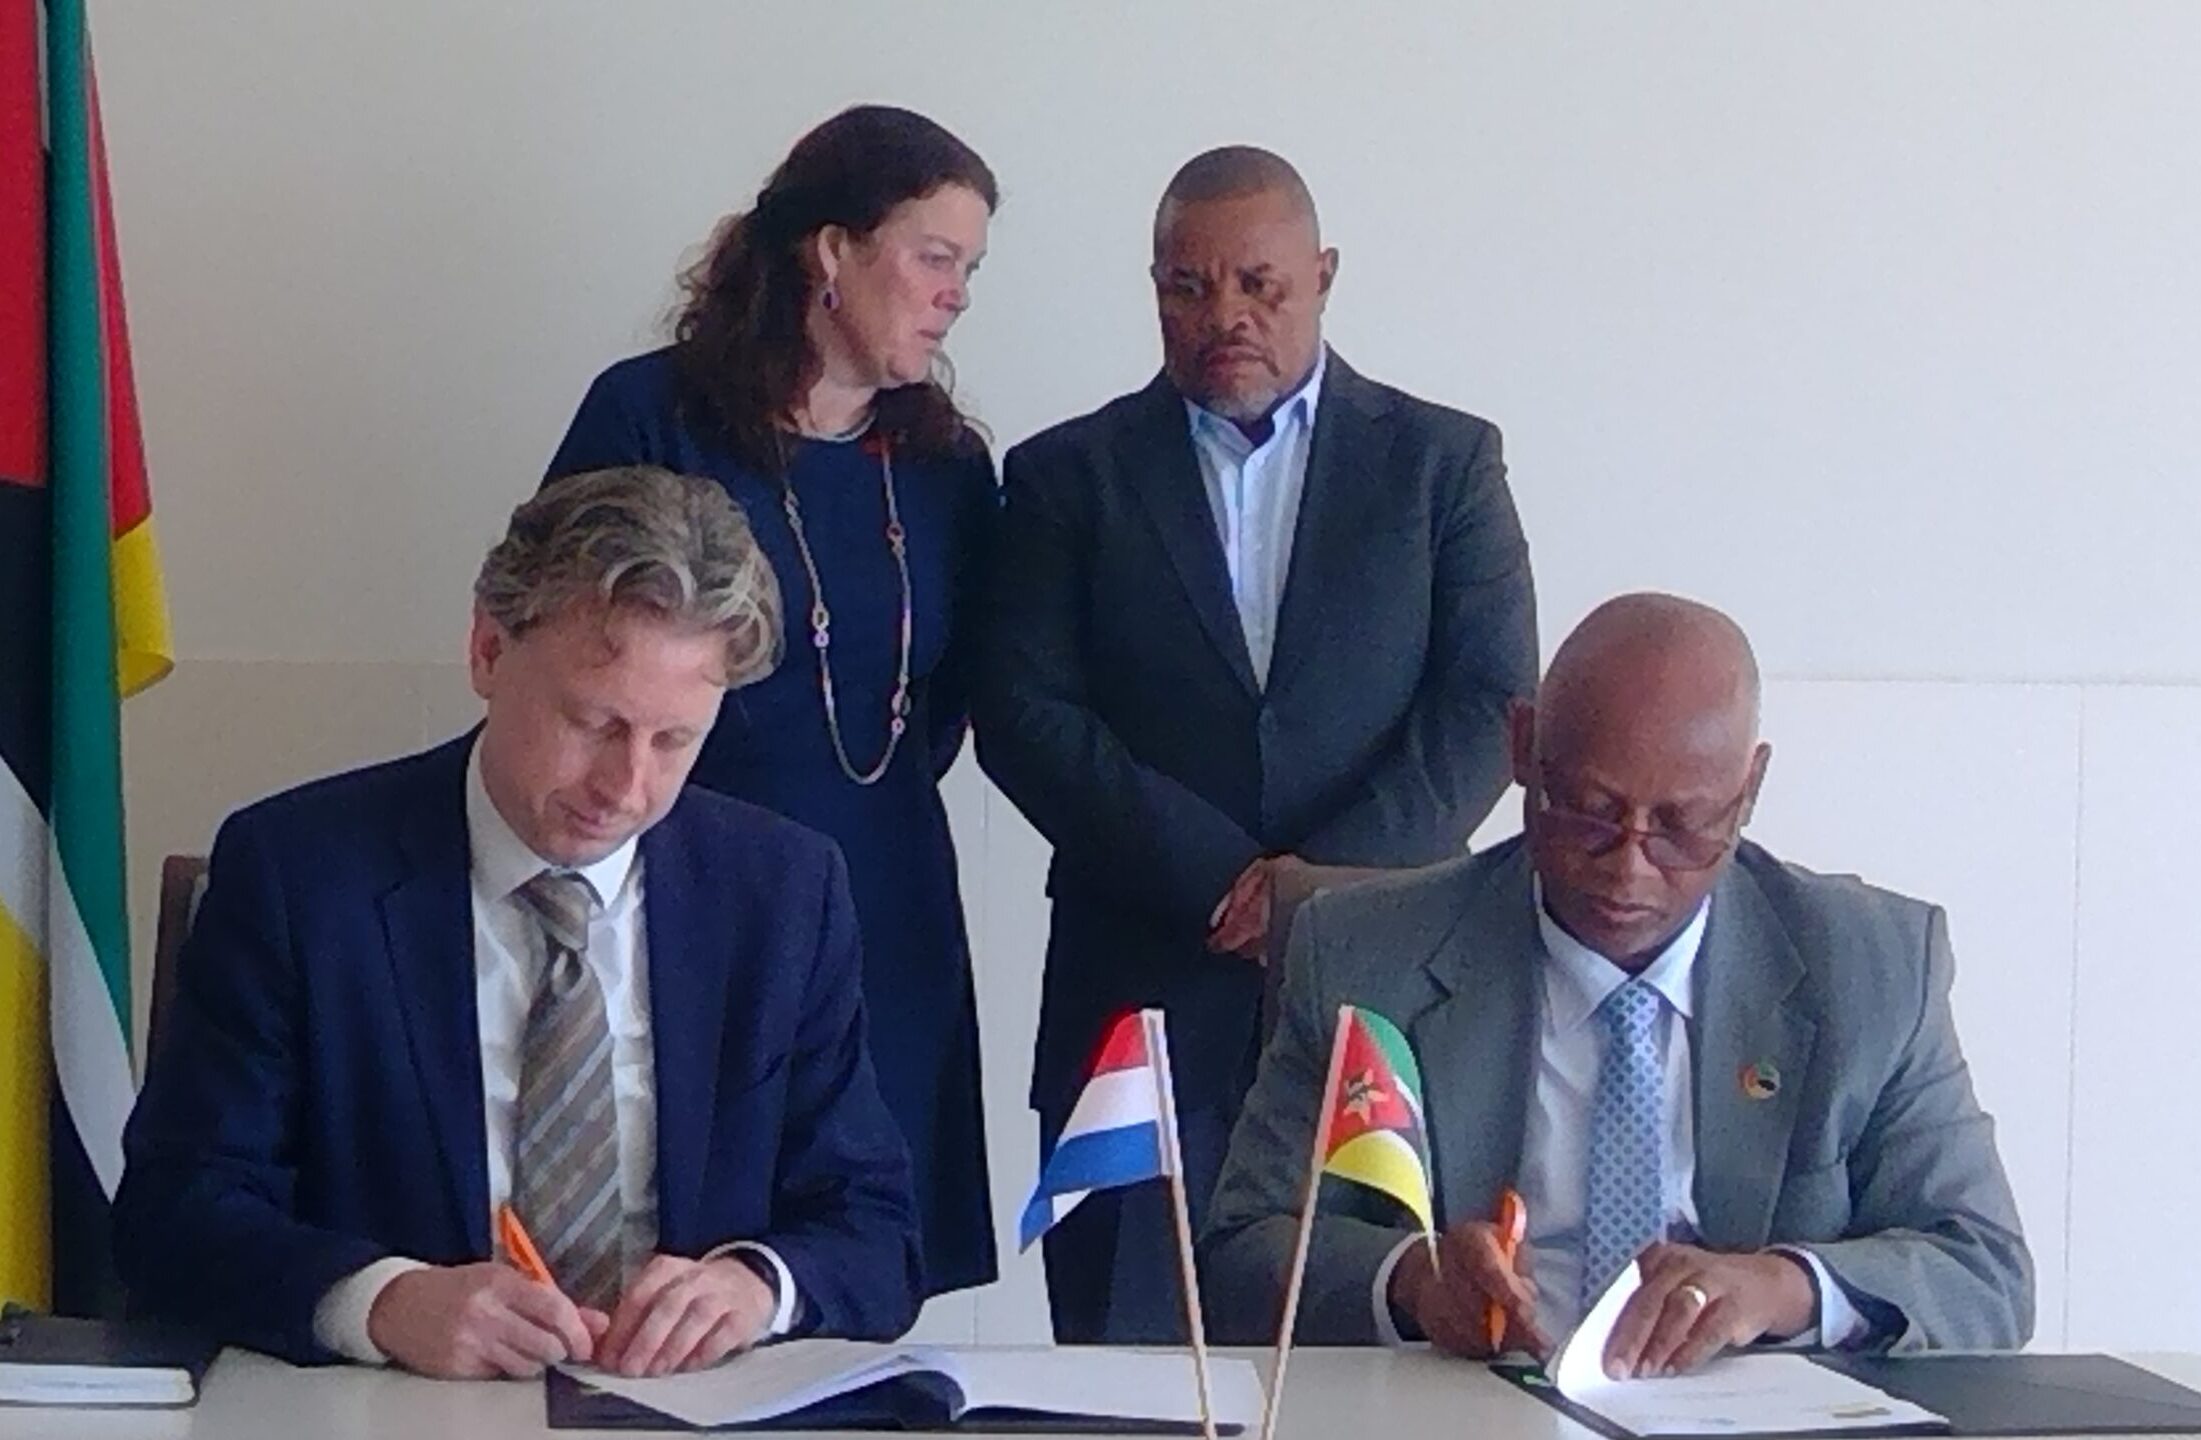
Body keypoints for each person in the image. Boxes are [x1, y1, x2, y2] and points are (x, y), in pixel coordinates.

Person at [114, 467, 921, 1377]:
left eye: (674, 741)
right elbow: (173, 1213)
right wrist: (382, 1301)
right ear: (488, 652)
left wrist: (755, 1286)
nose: (625, 788)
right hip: (396, 1409)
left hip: (685, 1409)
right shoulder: (300, 876)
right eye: (591, 722)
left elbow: (875, 1229)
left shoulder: (782, 892)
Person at [977, 146, 1537, 1342]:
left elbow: (1487, 700)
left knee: (1377, 1338)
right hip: (1139, 993)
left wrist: (1309, 895)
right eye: (1186, 286)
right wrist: (1217, 878)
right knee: (1129, 1370)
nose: (1222, 314)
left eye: (1257, 284)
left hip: (1383, 990)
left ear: (1322, 275)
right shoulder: (1066, 475)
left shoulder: (1441, 464)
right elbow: (1022, 714)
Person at [1203, 593, 2034, 1372]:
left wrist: (1779, 1287)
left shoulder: (1871, 967)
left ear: (1748, 790)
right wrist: (1412, 1283)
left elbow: (1985, 1273)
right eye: (1589, 812)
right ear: (1523, 748)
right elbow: (1236, 1254)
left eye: (1681, 826)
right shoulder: (1363, 955)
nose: (1628, 868)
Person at [544, 105, 1000, 1298]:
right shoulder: (649, 417)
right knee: (677, 1262)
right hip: (682, 886)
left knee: (855, 1260)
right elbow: (564, 648)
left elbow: (953, 692)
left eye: (968, 269)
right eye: (934, 257)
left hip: (886, 896)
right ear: (832, 250)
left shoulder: (948, 467)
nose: (955, 294)